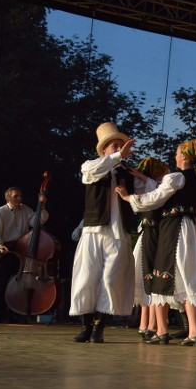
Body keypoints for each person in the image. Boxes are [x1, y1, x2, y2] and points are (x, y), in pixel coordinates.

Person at [117, 139, 196, 346]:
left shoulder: (176, 177)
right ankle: (194, 332)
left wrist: (128, 198)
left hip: (175, 230)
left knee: (162, 278)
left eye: (176, 153)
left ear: (183, 155)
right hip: (194, 230)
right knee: (189, 278)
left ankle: (162, 330)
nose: (174, 157)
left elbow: (155, 197)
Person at [69, 122, 145, 343]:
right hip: (93, 230)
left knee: (111, 280)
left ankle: (99, 327)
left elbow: (148, 194)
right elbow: (92, 172)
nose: (119, 149)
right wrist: (116, 157)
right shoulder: (90, 166)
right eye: (114, 145)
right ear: (104, 150)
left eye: (121, 145)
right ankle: (85, 325)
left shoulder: (127, 174)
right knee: (87, 278)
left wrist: (148, 176)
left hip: (118, 232)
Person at [0, 186, 50, 323]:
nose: (19, 198)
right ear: (7, 197)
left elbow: (37, 221)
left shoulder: (25, 209)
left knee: (20, 283)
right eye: (16, 196)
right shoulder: (1, 211)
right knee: (2, 283)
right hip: (5, 249)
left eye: (20, 196)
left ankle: (17, 312)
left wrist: (42, 206)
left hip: (21, 250)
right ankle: (0, 315)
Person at [130, 156, 169, 339]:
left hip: (156, 232)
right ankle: (145, 322)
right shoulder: (150, 186)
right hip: (146, 231)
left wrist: (143, 178)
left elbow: (155, 192)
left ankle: (152, 324)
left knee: (152, 275)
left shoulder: (164, 186)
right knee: (144, 274)